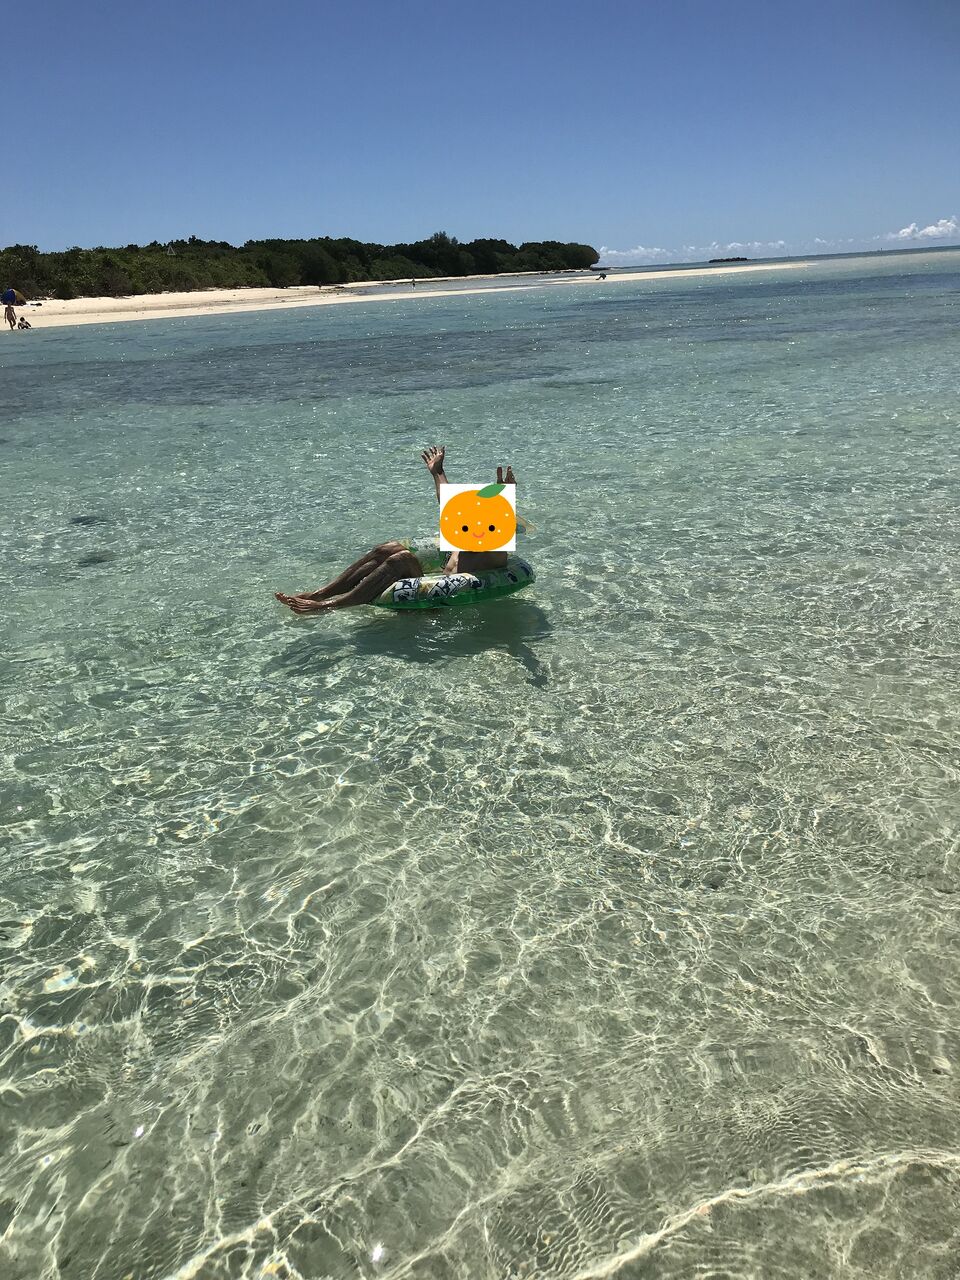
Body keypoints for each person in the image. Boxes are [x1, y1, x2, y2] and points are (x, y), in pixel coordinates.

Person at [275, 446, 516, 613]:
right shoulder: (463, 536)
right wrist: (438, 472)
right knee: (387, 549)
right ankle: (319, 594)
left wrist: (505, 495)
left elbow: (502, 521)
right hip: (430, 591)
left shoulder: (493, 548)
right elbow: (447, 501)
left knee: (402, 559)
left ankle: (329, 606)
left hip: (438, 608)